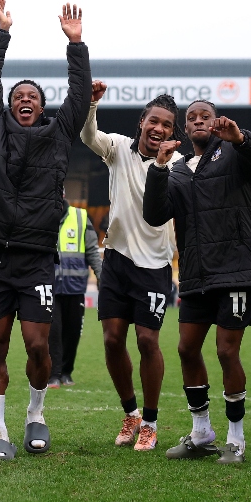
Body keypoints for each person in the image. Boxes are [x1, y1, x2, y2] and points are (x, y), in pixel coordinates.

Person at [0, 0, 91, 460]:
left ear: (42, 109)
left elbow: (78, 98)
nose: (23, 101)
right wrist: (1, 34)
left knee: (39, 346)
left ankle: (35, 415)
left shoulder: (59, 133)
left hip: (37, 256)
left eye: (32, 98)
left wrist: (74, 45)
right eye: (18, 97)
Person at [145, 99, 251, 464]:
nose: (199, 121)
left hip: (237, 271)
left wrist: (242, 138)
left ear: (215, 121)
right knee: (187, 349)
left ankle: (236, 439)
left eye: (205, 116)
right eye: (192, 118)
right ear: (184, 130)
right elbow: (155, 215)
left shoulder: (236, 154)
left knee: (225, 350)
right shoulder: (179, 171)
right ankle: (201, 432)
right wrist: (158, 166)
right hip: (196, 274)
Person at [79, 83, 182, 451]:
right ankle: (130, 414)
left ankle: (151, 422)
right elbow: (87, 134)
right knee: (111, 339)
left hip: (154, 265)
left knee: (147, 340)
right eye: (154, 121)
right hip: (117, 259)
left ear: (173, 132)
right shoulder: (119, 148)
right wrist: (92, 103)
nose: (159, 129)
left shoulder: (178, 165)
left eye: (168, 125)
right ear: (142, 123)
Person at [48, 196, 102, 389]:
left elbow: (92, 251)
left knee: (72, 332)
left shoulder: (80, 217)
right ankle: (53, 374)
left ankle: (66, 372)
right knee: (53, 331)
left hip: (75, 286)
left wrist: (101, 277)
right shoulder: (41, 214)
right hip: (49, 285)